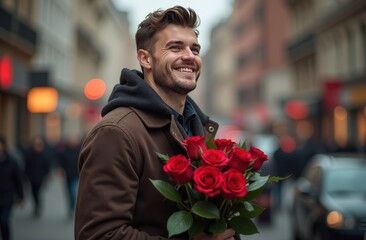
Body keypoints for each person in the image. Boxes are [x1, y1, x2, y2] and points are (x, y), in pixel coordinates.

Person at [75, 6, 237, 240]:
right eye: (175, 47)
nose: (190, 56)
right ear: (145, 59)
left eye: (195, 49)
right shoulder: (116, 132)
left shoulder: (198, 127)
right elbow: (100, 235)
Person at [0, 136, 24, 240]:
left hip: (7, 197)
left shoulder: (11, 161)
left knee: (4, 221)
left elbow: (18, 180)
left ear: (3, 146)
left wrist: (21, 196)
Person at [24, 136, 51, 218]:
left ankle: (38, 205)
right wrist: (26, 175)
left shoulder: (44, 154)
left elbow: (47, 167)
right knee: (33, 192)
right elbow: (26, 166)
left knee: (38, 192)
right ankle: (36, 205)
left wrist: (46, 176)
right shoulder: (29, 154)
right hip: (32, 177)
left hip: (40, 177)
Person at [57, 135, 81, 218]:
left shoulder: (79, 151)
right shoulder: (64, 152)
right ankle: (70, 208)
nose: (73, 143)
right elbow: (60, 162)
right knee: (68, 193)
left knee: (73, 192)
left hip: (76, 175)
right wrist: (60, 170)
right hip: (67, 175)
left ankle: (72, 207)